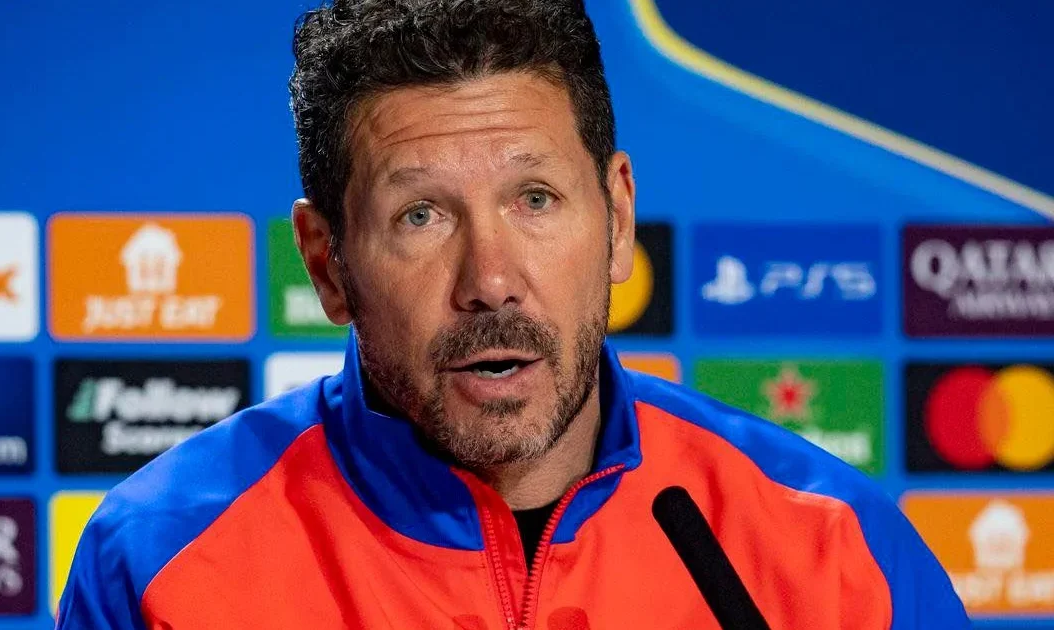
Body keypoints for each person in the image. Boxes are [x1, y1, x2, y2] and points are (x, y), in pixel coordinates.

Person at [56, 1, 970, 628]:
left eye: (535, 199)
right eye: (421, 216)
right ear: (327, 262)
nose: (491, 281)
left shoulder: (832, 550)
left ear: (617, 219)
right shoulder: (161, 565)